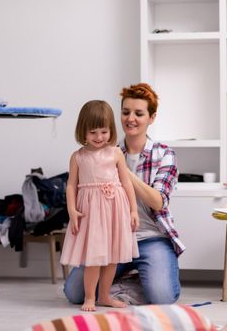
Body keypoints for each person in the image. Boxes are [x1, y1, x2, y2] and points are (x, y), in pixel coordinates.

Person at [63, 83, 185, 306]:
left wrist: (123, 172)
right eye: (126, 112)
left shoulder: (163, 154)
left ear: (152, 117)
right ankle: (116, 288)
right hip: (110, 234)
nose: (131, 118)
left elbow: (158, 202)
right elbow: (76, 185)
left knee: (162, 296)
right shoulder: (103, 146)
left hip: (150, 237)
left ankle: (126, 285)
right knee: (73, 293)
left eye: (139, 113)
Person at [60, 100, 139, 312]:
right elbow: (71, 186)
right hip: (91, 212)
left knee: (113, 257)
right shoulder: (78, 157)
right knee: (93, 257)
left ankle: (104, 295)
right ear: (82, 131)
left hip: (115, 209)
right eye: (93, 132)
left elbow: (126, 182)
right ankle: (89, 297)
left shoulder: (115, 153)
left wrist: (132, 209)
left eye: (103, 131)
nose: (98, 137)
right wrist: (71, 209)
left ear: (110, 130)